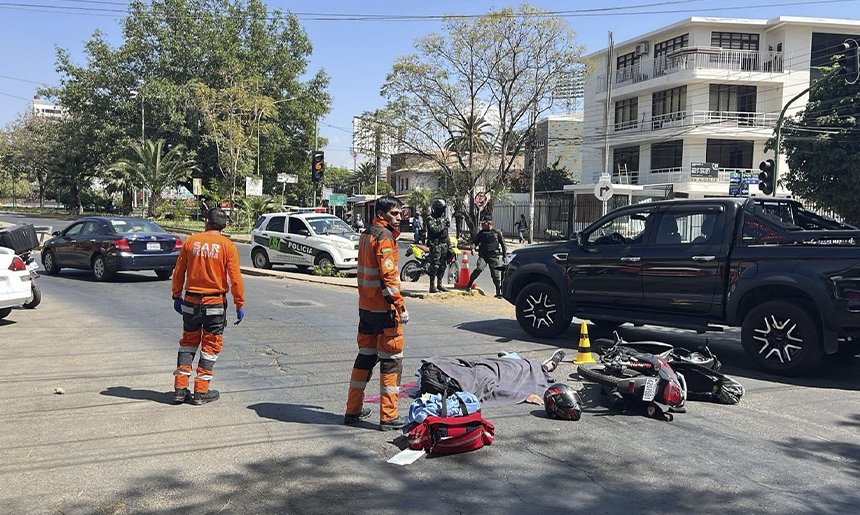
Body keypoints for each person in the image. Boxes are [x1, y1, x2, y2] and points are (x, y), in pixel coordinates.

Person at [346, 194, 410, 431]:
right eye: (394, 214)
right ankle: (389, 416)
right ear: (381, 214)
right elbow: (389, 278)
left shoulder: (366, 235)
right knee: (391, 361)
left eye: (399, 213)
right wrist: (400, 306)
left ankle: (352, 410)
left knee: (365, 358)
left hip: (366, 309)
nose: (399, 218)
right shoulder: (384, 238)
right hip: (384, 311)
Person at [171, 207, 245, 405]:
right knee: (210, 347)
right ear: (224, 225)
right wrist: (239, 304)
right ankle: (201, 392)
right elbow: (235, 279)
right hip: (215, 304)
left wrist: (176, 295)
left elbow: (179, 271)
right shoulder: (227, 245)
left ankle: (180, 389)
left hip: (190, 302)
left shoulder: (192, 241)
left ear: (206, 221)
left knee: (188, 342)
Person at [468, 214, 507, 297]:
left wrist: (505, 256)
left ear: (488, 223)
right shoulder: (481, 233)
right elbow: (474, 242)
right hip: (483, 256)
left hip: (494, 256)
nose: (482, 225)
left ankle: (498, 291)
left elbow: (503, 244)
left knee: (495, 275)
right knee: (479, 269)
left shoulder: (497, 232)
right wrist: (472, 248)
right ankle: (469, 284)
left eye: (483, 223)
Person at [426, 199, 452, 293]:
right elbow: (435, 230)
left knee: (443, 265)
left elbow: (446, 234)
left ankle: (439, 284)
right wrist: (443, 223)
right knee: (435, 265)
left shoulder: (444, 219)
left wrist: (450, 246)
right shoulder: (430, 219)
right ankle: (432, 286)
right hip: (435, 245)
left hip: (444, 245)